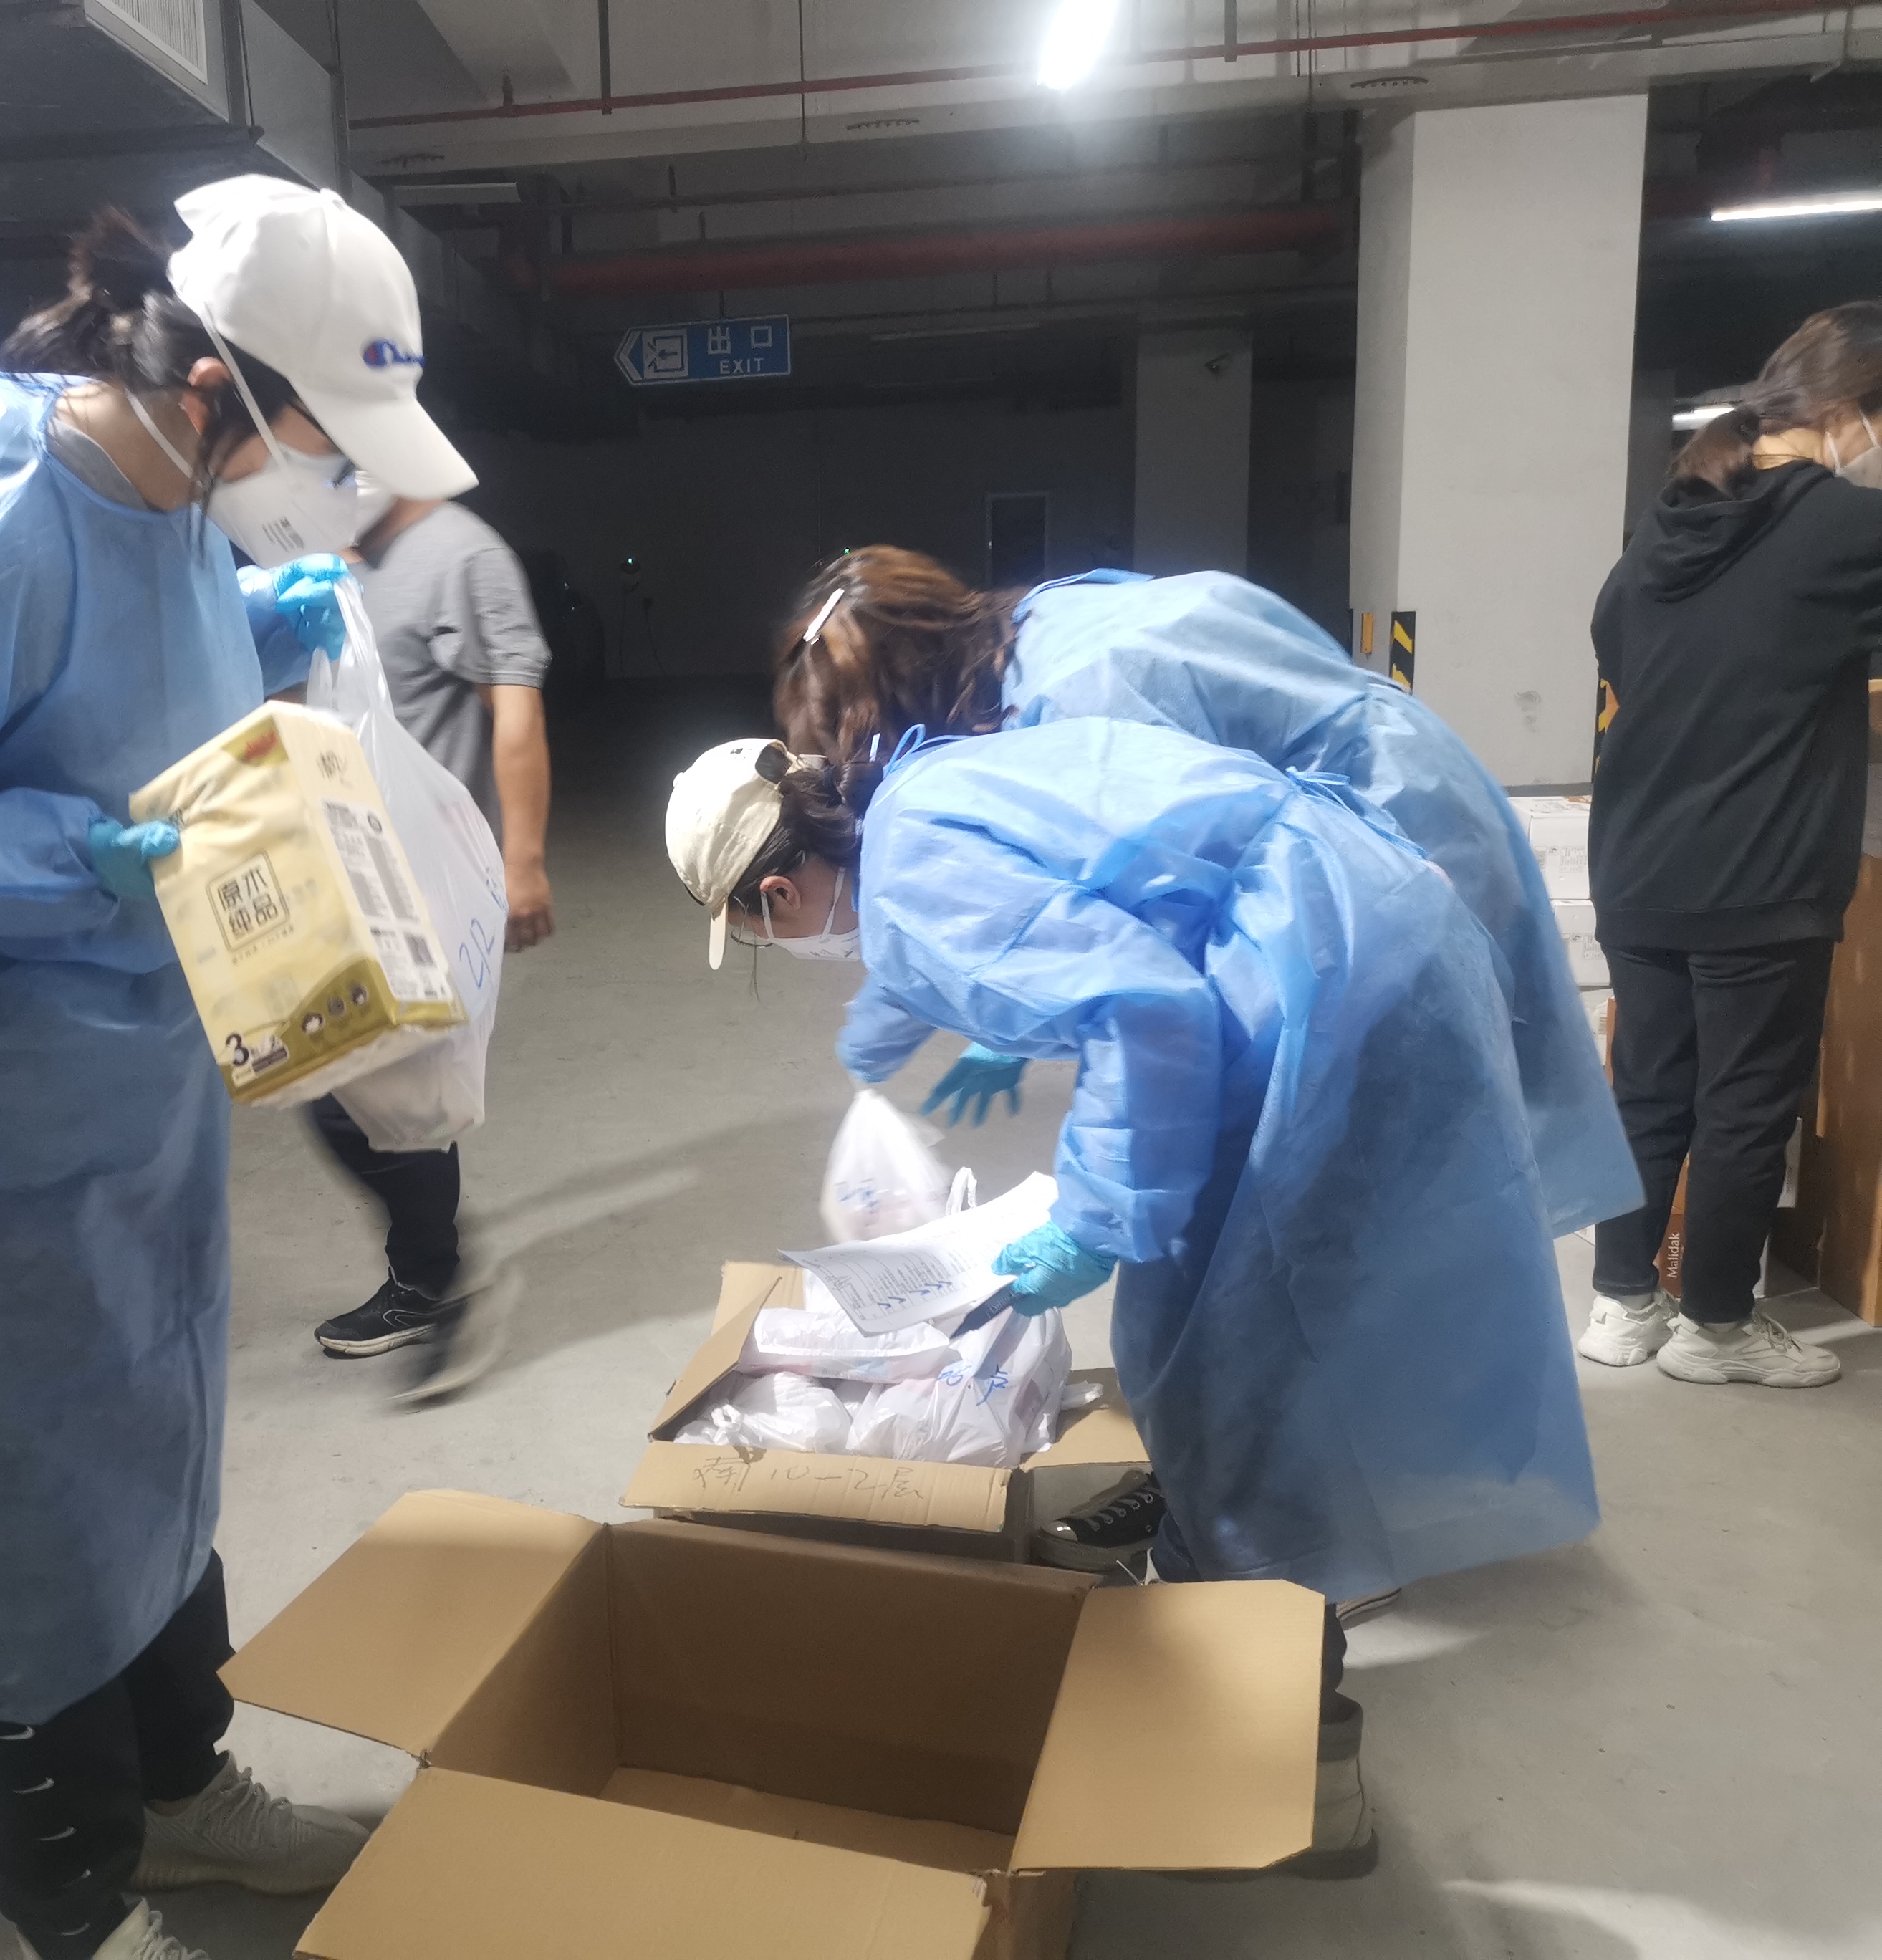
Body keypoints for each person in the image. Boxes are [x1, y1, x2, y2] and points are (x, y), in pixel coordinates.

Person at [0, 176, 476, 1960]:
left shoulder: (172, 503)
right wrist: (74, 858)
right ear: (207, 388)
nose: (325, 479)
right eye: (311, 437)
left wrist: (261, 626)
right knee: (16, 1529)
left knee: (146, 1461)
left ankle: (184, 1796)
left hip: (122, 1099)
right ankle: (61, 1890)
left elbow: (122, 691)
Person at [666, 729, 1602, 1875]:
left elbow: (1150, 1013)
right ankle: (1252, 1577)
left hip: (1327, 990)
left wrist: (1091, 1219)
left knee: (1234, 1366)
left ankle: (1295, 1779)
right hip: (1350, 934)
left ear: (775, 894)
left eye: (757, 931)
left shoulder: (914, 894)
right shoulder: (916, 795)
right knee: (1240, 1344)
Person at [771, 550, 1640, 1241]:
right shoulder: (1036, 628)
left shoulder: (1080, 699)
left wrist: (1096, 1216)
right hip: (1374, 821)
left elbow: (1160, 928)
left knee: (1352, 1178)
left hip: (1385, 852)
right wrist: (914, 1023)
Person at [1575, 304, 1882, 1388]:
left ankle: (1622, 1305)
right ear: (1849, 412)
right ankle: (1716, 1327)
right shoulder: (1852, 529)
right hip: (1761, 868)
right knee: (1746, 1106)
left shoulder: (1678, 514)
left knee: (1648, 1091)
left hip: (1641, 857)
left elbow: (1614, 639)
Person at [249, 488, 553, 1392]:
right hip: (344, 866)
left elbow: (515, 708)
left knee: (365, 1088)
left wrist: (525, 861)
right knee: (363, 1085)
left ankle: (431, 1277)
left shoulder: (464, 553)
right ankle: (429, 1266)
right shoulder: (332, 562)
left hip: (426, 879)